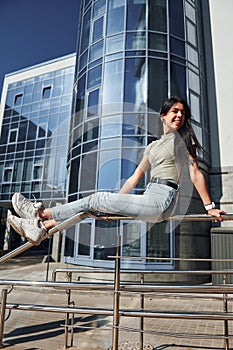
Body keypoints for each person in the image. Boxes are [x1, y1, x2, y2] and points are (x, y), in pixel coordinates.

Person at [8, 96, 226, 245]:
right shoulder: (152, 146)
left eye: (182, 113)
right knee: (92, 208)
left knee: (96, 198)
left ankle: (41, 213)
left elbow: (195, 172)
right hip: (149, 196)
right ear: (163, 115)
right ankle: (43, 228)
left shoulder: (181, 140)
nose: (179, 115)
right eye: (174, 111)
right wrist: (115, 206)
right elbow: (133, 179)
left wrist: (209, 207)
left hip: (163, 199)